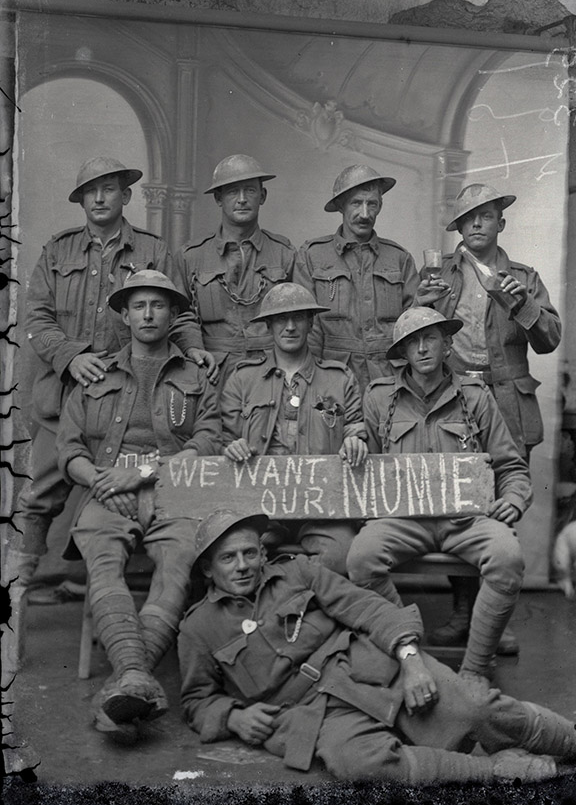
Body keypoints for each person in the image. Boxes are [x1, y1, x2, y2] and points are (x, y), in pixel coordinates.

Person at [178, 509, 576, 784]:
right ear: (208, 568)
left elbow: (367, 606)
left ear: (263, 553)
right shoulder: (197, 628)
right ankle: (492, 770)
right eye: (228, 558)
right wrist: (233, 718)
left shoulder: (296, 572)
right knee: (361, 764)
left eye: (250, 552)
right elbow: (197, 700)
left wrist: (411, 660)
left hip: (371, 667)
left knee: (475, 707)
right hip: (310, 715)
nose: (243, 565)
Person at [8, 156, 210, 604]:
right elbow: (36, 318)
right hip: (66, 390)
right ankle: (20, 581)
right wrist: (71, 357)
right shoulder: (57, 251)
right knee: (42, 488)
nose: (100, 198)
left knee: (136, 481)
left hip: (131, 388)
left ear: (127, 196)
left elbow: (179, 313)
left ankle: (93, 578)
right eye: (90, 192)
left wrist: (193, 346)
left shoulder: (154, 251)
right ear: (80, 200)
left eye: (109, 189)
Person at [56, 270, 221, 742]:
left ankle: (125, 680)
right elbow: (70, 451)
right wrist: (107, 483)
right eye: (140, 306)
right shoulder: (97, 373)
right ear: (124, 316)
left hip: (172, 491)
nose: (149, 314)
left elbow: (209, 439)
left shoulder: (195, 375)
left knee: (177, 564)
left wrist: (147, 474)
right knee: (103, 563)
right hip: (107, 491)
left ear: (173, 315)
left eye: (159, 306)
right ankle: (136, 679)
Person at [346, 308, 531, 684]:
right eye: (413, 342)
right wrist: (353, 441)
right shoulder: (380, 398)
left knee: (507, 558)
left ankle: (475, 672)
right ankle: (413, 656)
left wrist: (512, 500)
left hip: (466, 519)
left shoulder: (475, 397)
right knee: (361, 559)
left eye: (430, 338)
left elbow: (511, 466)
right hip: (402, 518)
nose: (422, 348)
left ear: (447, 345)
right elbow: (362, 462)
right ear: (403, 352)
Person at [415, 183, 561, 653]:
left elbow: (550, 340)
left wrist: (522, 304)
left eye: (487, 215)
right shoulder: (438, 274)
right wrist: (419, 304)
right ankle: (463, 614)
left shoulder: (523, 277)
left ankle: (495, 621)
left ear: (502, 221)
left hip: (509, 405)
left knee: (504, 509)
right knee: (459, 508)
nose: (477, 223)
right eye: (468, 217)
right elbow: (411, 341)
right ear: (457, 227)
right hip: (453, 402)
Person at [221, 282, 368, 573]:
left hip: (322, 506)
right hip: (258, 506)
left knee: (341, 554)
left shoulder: (339, 378)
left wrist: (356, 442)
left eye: (298, 318)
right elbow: (224, 436)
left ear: (311, 322)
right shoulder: (243, 379)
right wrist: (230, 447)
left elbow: (354, 428)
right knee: (237, 556)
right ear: (269, 326)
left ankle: (297, 599)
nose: (289, 327)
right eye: (280, 319)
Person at [172, 154, 296, 391]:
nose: (241, 200)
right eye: (232, 192)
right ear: (219, 198)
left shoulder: (285, 254)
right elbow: (180, 314)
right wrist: (193, 347)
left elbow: (300, 319)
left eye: (250, 191)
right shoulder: (191, 256)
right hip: (211, 373)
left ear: (263, 196)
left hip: (272, 372)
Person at [294, 164, 420, 393]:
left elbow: (412, 327)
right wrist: (310, 382)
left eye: (372, 204)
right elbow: (307, 329)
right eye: (356, 203)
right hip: (332, 379)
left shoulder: (399, 258)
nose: (365, 214)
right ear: (341, 206)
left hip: (390, 381)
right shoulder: (312, 255)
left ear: (380, 206)